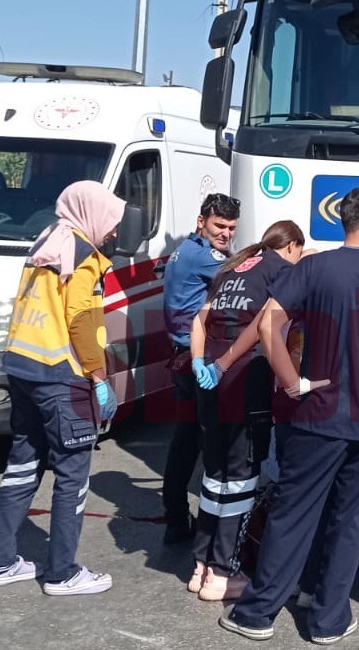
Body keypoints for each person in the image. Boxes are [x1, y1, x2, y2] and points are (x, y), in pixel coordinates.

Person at [219, 187, 359, 643]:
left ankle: (256, 615)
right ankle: (327, 618)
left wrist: (291, 380)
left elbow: (268, 324)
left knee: (294, 512)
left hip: (318, 413)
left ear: (345, 222)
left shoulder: (315, 267)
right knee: (351, 520)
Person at [0, 180, 126, 595]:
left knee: (23, 464)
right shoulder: (83, 255)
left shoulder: (48, 238)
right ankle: (62, 572)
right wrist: (99, 378)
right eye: (112, 220)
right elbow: (81, 319)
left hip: (22, 367)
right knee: (73, 474)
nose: (114, 230)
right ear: (93, 214)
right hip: (62, 375)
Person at [187, 219, 306, 601]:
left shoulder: (232, 267)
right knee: (241, 477)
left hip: (208, 375)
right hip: (244, 377)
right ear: (291, 247)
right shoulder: (280, 269)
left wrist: (198, 361)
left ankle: (201, 565)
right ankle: (225, 573)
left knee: (214, 473)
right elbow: (263, 324)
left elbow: (199, 320)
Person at [161, 192, 240, 544]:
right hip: (198, 358)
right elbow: (243, 274)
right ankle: (210, 527)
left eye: (231, 228)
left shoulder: (185, 250)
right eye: (219, 226)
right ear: (201, 222)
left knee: (186, 439)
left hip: (182, 355)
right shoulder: (205, 257)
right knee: (211, 442)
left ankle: (176, 519)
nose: (225, 234)